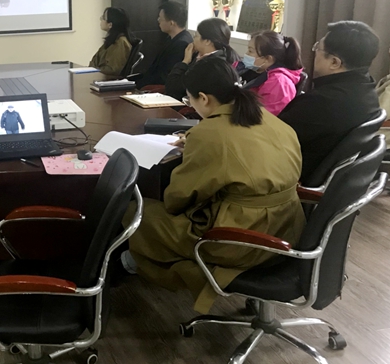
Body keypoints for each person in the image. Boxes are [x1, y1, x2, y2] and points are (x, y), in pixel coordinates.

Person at [122, 57, 304, 314]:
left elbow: (177, 199)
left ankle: (131, 265)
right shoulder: (271, 120)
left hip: (242, 239)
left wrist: (199, 148)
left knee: (137, 211)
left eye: (189, 100)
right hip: (289, 228)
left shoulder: (209, 134)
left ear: (204, 98)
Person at [279, 21, 381, 180]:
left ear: (334, 62)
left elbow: (273, 137)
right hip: (320, 170)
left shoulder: (323, 102)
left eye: (318, 48)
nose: (315, 53)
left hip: (287, 175)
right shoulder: (367, 88)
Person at [165, 17, 238, 99]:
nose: (193, 39)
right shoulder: (198, 55)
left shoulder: (212, 65)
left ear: (207, 41)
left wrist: (185, 61)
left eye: (196, 36)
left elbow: (173, 87)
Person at [237, 30, 303, 115]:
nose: (246, 54)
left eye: (250, 51)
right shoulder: (253, 70)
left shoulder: (279, 83)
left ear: (268, 59)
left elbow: (262, 116)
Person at [133, 1, 193, 88]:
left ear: (171, 23)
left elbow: (165, 77)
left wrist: (137, 85)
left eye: (161, 18)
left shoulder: (181, 44)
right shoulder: (172, 38)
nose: (158, 20)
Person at [89, 7, 133, 77]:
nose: (101, 19)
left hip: (107, 79)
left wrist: (94, 70)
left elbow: (113, 70)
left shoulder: (120, 42)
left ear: (110, 25)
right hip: (99, 76)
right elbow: (94, 61)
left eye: (103, 18)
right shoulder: (111, 41)